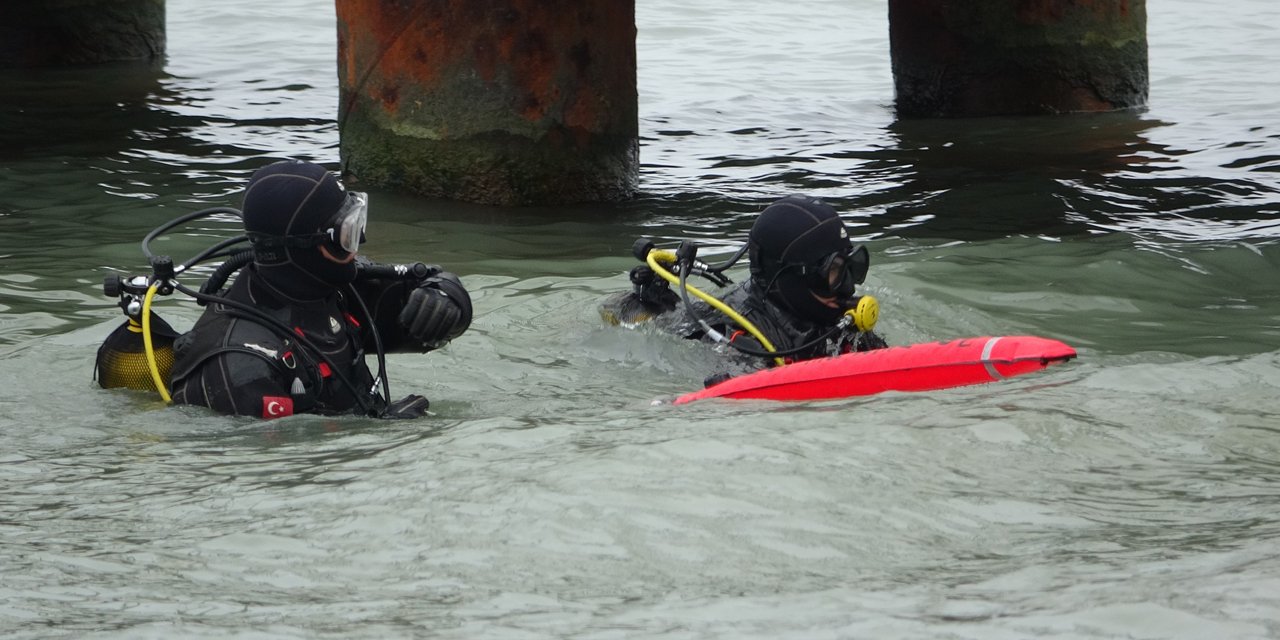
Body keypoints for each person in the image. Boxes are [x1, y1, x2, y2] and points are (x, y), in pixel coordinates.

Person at [168, 160, 472, 419]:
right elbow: (270, 460)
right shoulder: (239, 366)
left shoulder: (334, 289)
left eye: (357, 224)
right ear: (306, 245)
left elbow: (426, 320)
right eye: (347, 233)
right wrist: (384, 432)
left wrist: (448, 298)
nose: (359, 245)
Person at [601, 194, 888, 382]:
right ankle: (653, 303)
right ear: (790, 277)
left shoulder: (838, 319)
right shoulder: (740, 344)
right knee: (654, 317)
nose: (848, 287)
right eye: (834, 273)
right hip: (690, 331)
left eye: (852, 267)